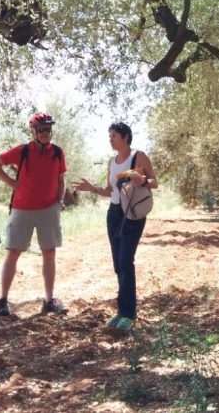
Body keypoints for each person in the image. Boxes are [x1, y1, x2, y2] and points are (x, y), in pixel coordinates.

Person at [75, 121, 157, 331]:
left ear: (125, 137)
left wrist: (143, 181)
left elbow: (155, 182)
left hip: (132, 215)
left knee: (125, 260)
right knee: (117, 264)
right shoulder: (112, 162)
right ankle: (122, 311)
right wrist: (92, 189)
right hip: (114, 214)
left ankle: (128, 314)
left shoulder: (138, 156)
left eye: (113, 136)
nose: (110, 139)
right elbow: (110, 190)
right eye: (109, 136)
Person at [0, 112, 68, 317]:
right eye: (41, 129)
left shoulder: (57, 152)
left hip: (48, 209)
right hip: (22, 209)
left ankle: (49, 300)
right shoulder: (22, 151)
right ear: (33, 131)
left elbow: (61, 178)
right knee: (13, 252)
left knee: (49, 254)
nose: (45, 133)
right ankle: (3, 300)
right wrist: (12, 184)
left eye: (48, 129)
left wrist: (59, 200)